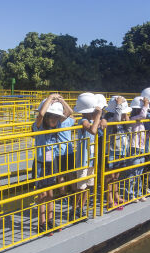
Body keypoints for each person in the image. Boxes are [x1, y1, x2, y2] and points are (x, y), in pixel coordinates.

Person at [32, 93, 75, 229]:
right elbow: (40, 114)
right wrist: (50, 98)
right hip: (40, 163)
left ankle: (50, 220)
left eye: (57, 117)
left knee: (50, 192)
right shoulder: (39, 126)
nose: (55, 119)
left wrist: (61, 100)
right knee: (42, 193)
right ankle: (42, 222)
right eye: (53, 116)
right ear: (47, 117)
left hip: (51, 160)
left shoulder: (57, 126)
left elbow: (69, 112)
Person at [72, 92, 102, 217]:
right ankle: (74, 209)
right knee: (81, 186)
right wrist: (99, 116)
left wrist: (102, 120)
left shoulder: (92, 120)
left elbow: (99, 129)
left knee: (89, 185)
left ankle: (81, 208)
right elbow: (93, 130)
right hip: (83, 158)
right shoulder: (83, 121)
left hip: (91, 158)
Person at [104, 96, 132, 209]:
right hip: (111, 151)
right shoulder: (109, 119)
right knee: (110, 177)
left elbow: (129, 129)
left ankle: (116, 196)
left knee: (116, 176)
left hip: (121, 150)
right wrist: (119, 105)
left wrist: (127, 119)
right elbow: (116, 119)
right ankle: (109, 200)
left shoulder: (123, 121)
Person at [127, 96, 149, 201]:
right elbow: (143, 115)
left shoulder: (141, 121)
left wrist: (148, 134)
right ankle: (130, 194)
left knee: (139, 172)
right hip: (134, 147)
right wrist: (146, 105)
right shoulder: (132, 119)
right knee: (133, 172)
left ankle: (138, 193)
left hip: (141, 147)